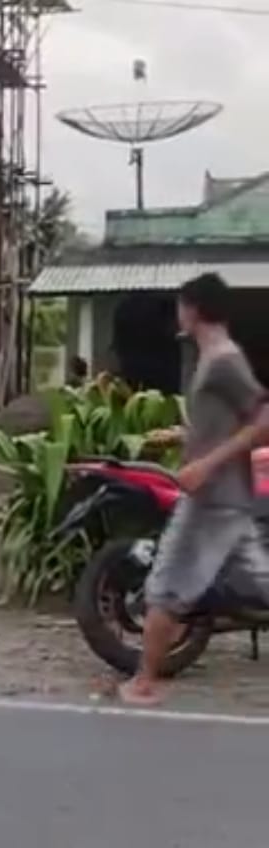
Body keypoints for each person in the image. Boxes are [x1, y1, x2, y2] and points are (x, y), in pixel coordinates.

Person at [121, 273, 269, 706]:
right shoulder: (212, 358)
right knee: (258, 581)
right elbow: (223, 422)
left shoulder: (223, 360)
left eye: (181, 306)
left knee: (167, 586)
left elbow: (262, 420)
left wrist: (206, 463)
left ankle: (144, 683)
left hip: (213, 499)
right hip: (226, 497)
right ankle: (145, 679)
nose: (178, 315)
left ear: (195, 309)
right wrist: (187, 438)